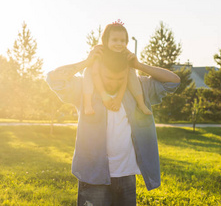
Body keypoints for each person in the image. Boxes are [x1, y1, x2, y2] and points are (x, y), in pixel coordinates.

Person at [45, 22, 180, 206]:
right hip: (93, 175)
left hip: (126, 176)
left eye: (120, 78)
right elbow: (54, 79)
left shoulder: (138, 88)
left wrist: (139, 65)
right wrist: (86, 62)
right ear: (98, 73)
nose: (114, 83)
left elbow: (173, 82)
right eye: (109, 77)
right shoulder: (86, 88)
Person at [83, 22, 152, 116]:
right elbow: (95, 74)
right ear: (106, 40)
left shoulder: (125, 54)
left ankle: (141, 103)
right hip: (99, 80)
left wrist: (119, 99)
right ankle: (87, 104)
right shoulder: (100, 52)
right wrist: (104, 95)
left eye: (123, 41)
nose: (119, 44)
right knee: (88, 71)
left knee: (131, 71)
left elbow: (125, 79)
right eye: (114, 40)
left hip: (119, 83)